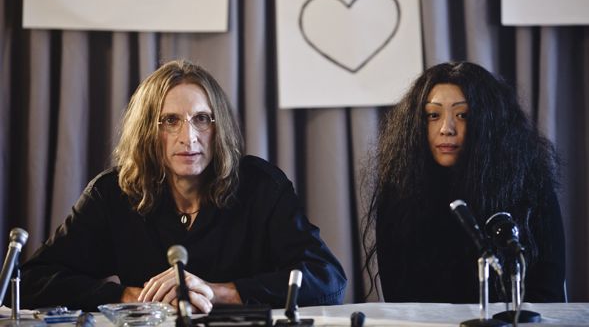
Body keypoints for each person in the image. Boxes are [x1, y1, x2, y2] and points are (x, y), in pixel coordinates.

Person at [20, 60, 347, 312]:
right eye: (170, 121)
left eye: (201, 119)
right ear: (147, 131)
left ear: (218, 128)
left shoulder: (262, 186)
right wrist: (135, 297)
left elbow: (328, 279)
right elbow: (29, 281)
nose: (188, 138)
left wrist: (216, 292)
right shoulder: (112, 194)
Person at [363, 61, 565, 303]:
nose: (446, 129)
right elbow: (400, 298)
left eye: (462, 115)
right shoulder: (398, 193)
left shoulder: (530, 188)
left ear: (489, 123)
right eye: (433, 115)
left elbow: (548, 293)